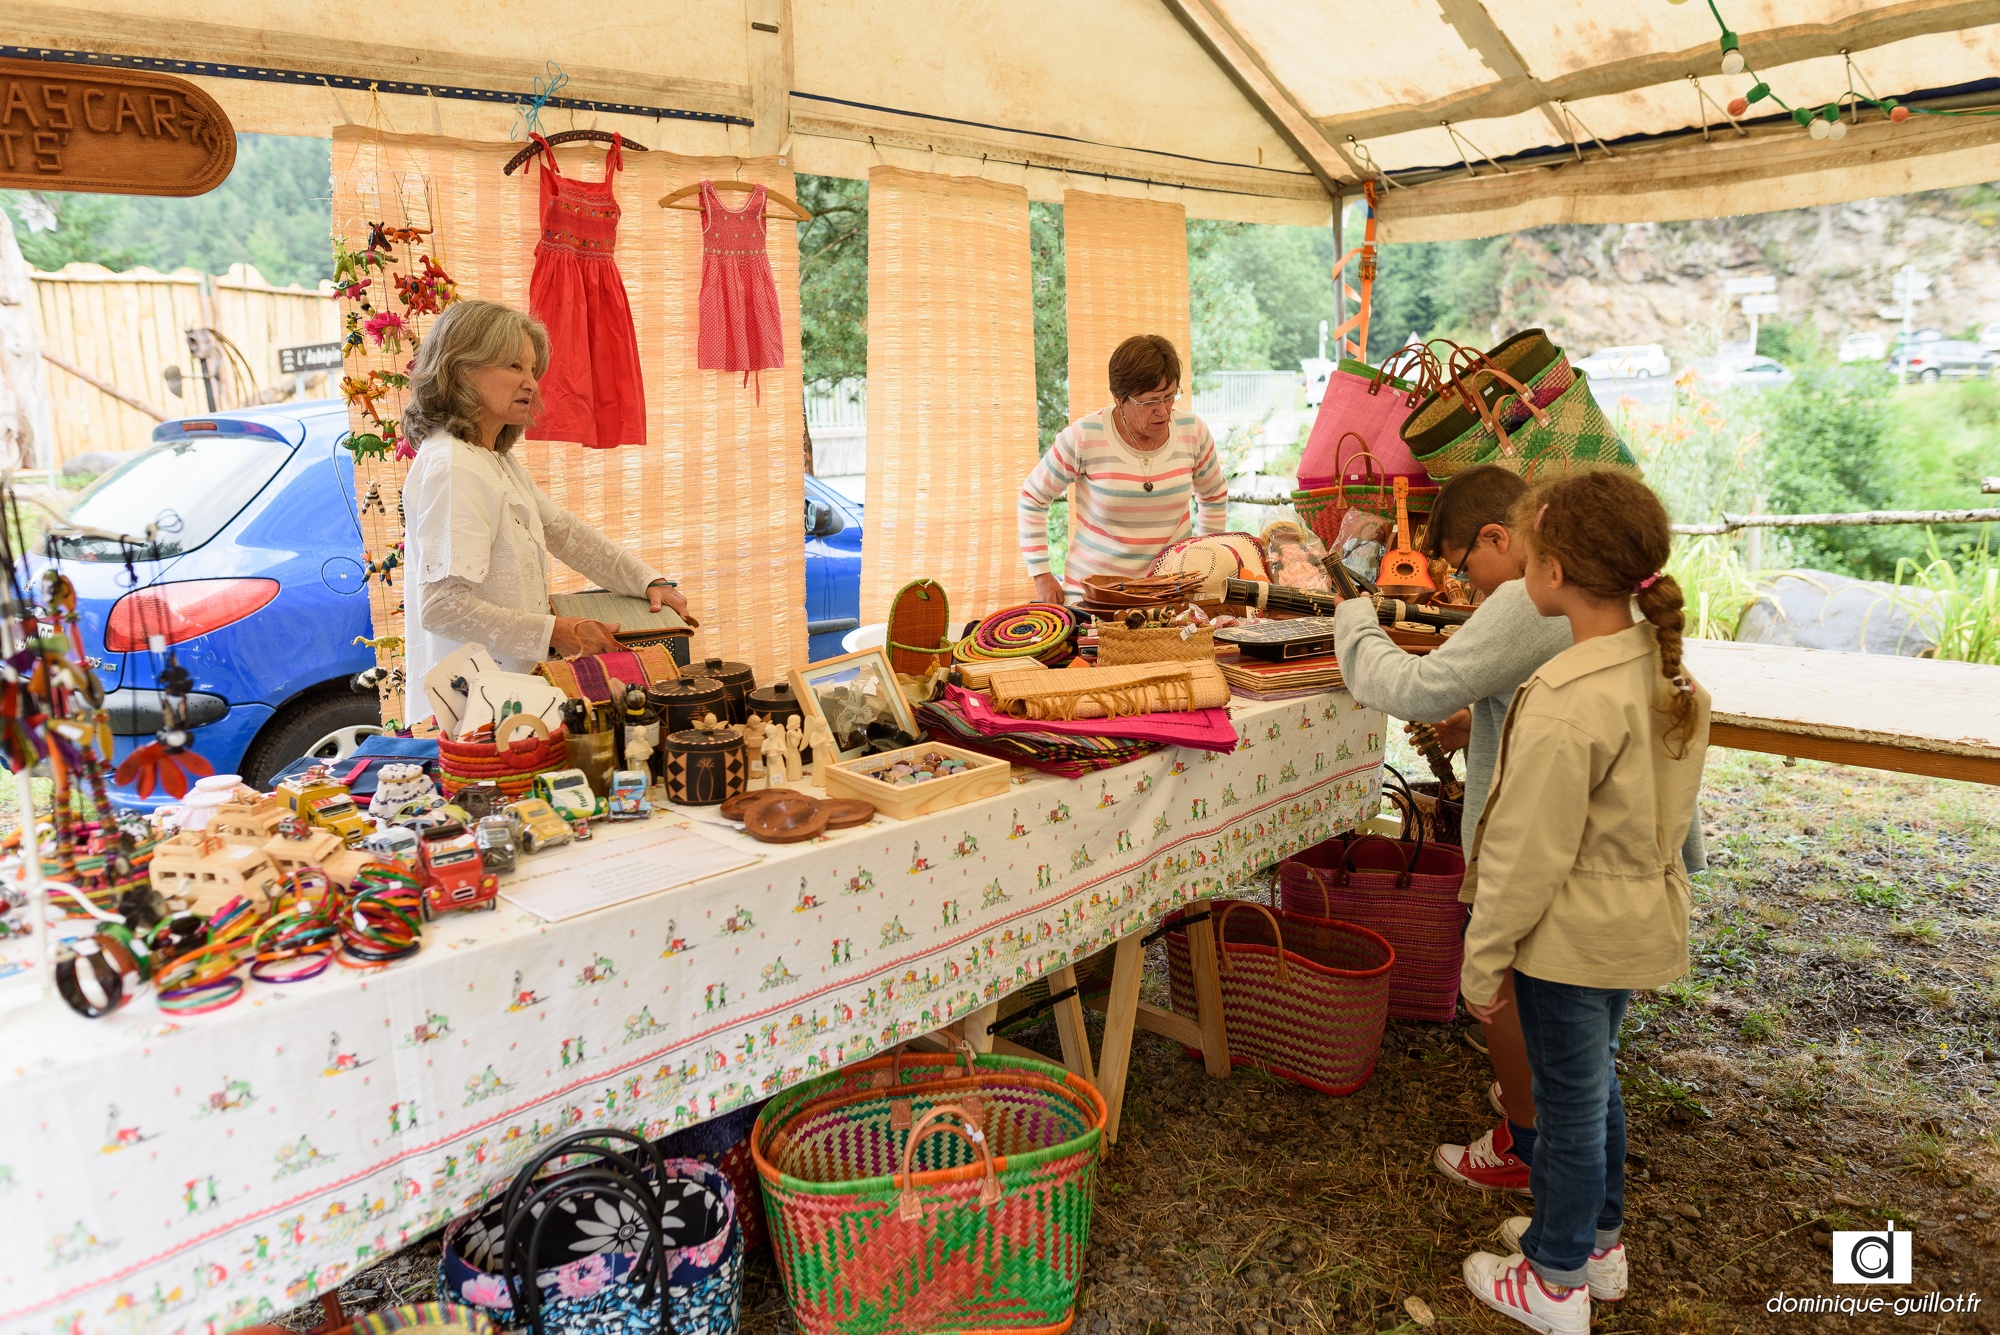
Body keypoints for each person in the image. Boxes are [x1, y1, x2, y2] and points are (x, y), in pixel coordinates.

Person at [1331, 466, 1705, 1194]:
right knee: (1581, 1051)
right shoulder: (1612, 608)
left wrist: (1353, 619)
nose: (1468, 590)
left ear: (1509, 542)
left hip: (1555, 868)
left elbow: (1412, 685)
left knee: (1515, 1000)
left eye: (1468, 567)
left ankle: (1534, 1146)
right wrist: (1485, 717)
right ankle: (1559, 1156)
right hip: (1623, 860)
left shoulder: (1525, 597)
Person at [1456, 470, 1711, 1333]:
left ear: (1554, 571)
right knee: (1595, 1086)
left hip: (1567, 940)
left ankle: (1555, 1278)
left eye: (1528, 549)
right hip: (1630, 925)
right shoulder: (1662, 670)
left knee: (1568, 1107)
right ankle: (1599, 1243)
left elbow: (1527, 856)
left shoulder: (1569, 700)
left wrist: (1482, 957)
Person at [400, 299, 689, 724]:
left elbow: (564, 532)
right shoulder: (454, 466)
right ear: (462, 371)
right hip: (479, 711)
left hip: (512, 695)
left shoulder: (489, 457)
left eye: (533, 370)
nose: (531, 383)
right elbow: (444, 608)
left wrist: (647, 580)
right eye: (514, 367)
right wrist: (559, 631)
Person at [1019, 334, 1227, 604]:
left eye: (1169, 396)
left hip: (1170, 593)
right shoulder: (1085, 437)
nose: (1163, 411)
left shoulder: (1193, 432)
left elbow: (1213, 494)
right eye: (1150, 401)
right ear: (1119, 398)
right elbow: (1032, 497)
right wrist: (1041, 573)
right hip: (1095, 597)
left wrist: (1205, 558)